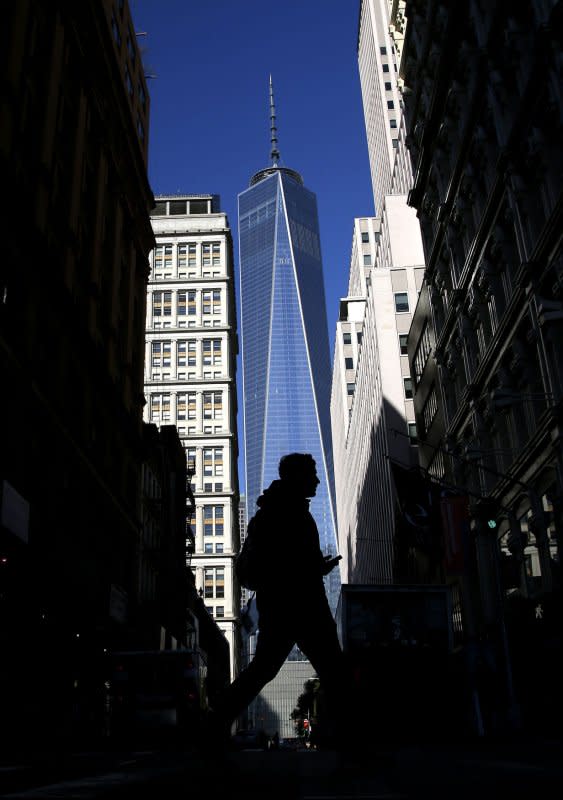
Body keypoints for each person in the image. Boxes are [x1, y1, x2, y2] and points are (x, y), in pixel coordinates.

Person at [208, 453, 349, 747]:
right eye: (311, 474)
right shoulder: (285, 512)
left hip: (288, 606)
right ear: (296, 477)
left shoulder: (280, 510)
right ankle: (349, 739)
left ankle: (215, 719)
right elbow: (286, 565)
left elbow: (288, 562)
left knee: (268, 669)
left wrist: (315, 568)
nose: (317, 480)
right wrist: (311, 570)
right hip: (298, 606)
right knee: (332, 670)